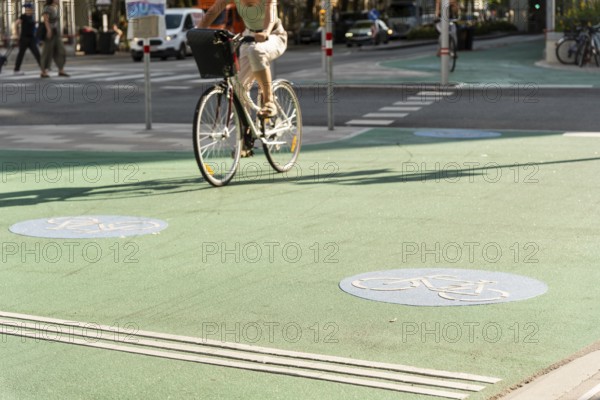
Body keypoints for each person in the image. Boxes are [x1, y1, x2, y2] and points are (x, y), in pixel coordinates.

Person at [197, 0, 287, 118]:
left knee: (256, 51)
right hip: (249, 35)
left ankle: (269, 101)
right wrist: (198, 30)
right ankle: (246, 130)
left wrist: (265, 32)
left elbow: (271, 10)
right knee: (238, 88)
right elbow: (213, 11)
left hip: (274, 35)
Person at [40, 0, 69, 78]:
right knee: (47, 52)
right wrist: (49, 30)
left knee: (61, 50)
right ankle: (44, 71)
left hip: (56, 33)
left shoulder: (56, 8)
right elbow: (45, 19)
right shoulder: (47, 8)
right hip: (50, 33)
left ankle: (61, 70)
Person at [13, 3, 42, 75]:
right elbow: (16, 24)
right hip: (24, 39)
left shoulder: (31, 17)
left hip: (31, 39)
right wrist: (16, 34)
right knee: (21, 54)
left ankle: (43, 67)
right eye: (28, 9)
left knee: (36, 53)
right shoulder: (23, 16)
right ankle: (16, 69)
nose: (30, 10)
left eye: (30, 9)